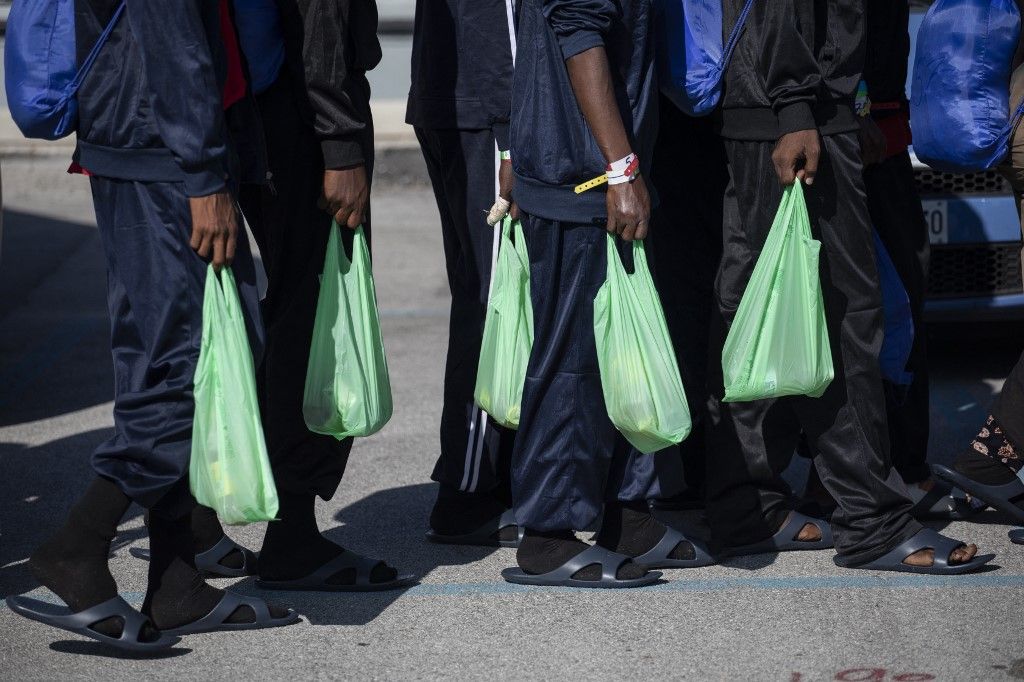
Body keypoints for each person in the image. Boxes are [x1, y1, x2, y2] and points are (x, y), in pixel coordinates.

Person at [6, 0, 296, 651]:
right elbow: (172, 31)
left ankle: (176, 585)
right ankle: (78, 548)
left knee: (170, 361)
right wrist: (201, 173)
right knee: (186, 369)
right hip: (163, 147)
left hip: (145, 137)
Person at [705, 0, 990, 574]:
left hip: (794, 104)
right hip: (794, 109)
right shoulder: (793, 104)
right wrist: (794, 107)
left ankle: (747, 506)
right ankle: (872, 520)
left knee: (756, 311)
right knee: (845, 318)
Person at [501, 0, 710, 589]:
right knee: (573, 362)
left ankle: (629, 517)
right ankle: (547, 536)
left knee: (621, 348)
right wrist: (620, 170)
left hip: (598, 169)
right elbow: (577, 33)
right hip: (586, 176)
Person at [233, 0, 413, 591]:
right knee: (311, 324)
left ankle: (201, 522)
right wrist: (341, 145)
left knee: (277, 313)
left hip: (260, 110)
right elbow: (322, 19)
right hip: (303, 121)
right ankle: (293, 536)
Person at [406, 0, 521, 547]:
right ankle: (468, 490)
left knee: (484, 294)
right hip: (487, 108)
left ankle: (489, 475)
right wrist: (516, 130)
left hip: (455, 100)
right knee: (492, 302)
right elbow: (501, 20)